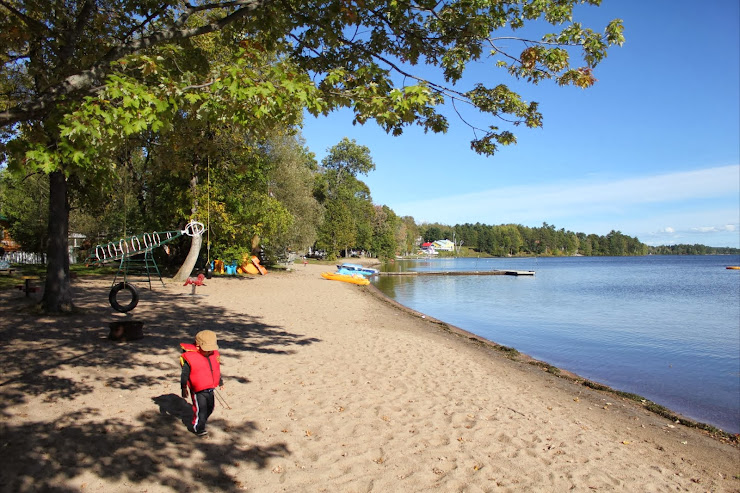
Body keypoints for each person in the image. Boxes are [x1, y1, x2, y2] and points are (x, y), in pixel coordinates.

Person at [180, 330, 223, 436]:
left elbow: (215, 369)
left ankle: (202, 420)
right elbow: (184, 375)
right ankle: (199, 428)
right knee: (201, 410)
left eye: (210, 350)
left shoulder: (213, 355)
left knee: (210, 407)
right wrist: (184, 387)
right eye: (207, 350)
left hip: (210, 389)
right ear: (198, 346)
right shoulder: (190, 358)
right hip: (198, 391)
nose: (209, 352)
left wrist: (220, 382)